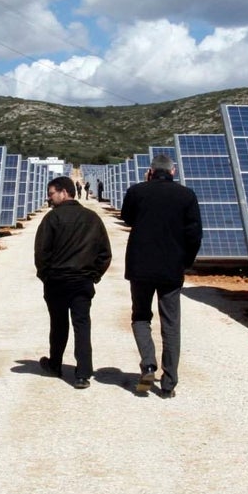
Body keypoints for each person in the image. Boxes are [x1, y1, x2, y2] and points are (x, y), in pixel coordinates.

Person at [120, 154, 202, 398]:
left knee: (141, 316)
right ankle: (168, 383)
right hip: (171, 269)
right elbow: (195, 235)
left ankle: (147, 364)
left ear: (150, 171)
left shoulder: (137, 191)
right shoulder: (186, 196)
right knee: (171, 324)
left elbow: (127, 218)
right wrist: (185, 262)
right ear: (173, 172)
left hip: (140, 268)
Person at [34, 175, 112, 389]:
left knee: (58, 325)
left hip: (57, 282)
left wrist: (46, 276)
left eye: (51, 194)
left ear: (64, 192)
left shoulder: (51, 219)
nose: (49, 199)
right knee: (82, 325)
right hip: (82, 282)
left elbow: (41, 253)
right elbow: (105, 253)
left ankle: (55, 365)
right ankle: (83, 374)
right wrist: (94, 275)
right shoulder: (92, 218)